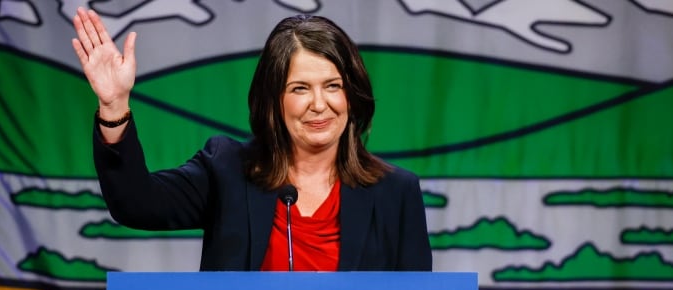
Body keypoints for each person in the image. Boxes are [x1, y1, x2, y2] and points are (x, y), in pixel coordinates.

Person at [71, 8, 432, 271]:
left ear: (351, 95)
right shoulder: (227, 170)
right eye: (300, 88)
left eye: (333, 86)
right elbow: (136, 204)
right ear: (274, 101)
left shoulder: (395, 191)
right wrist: (114, 105)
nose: (319, 104)